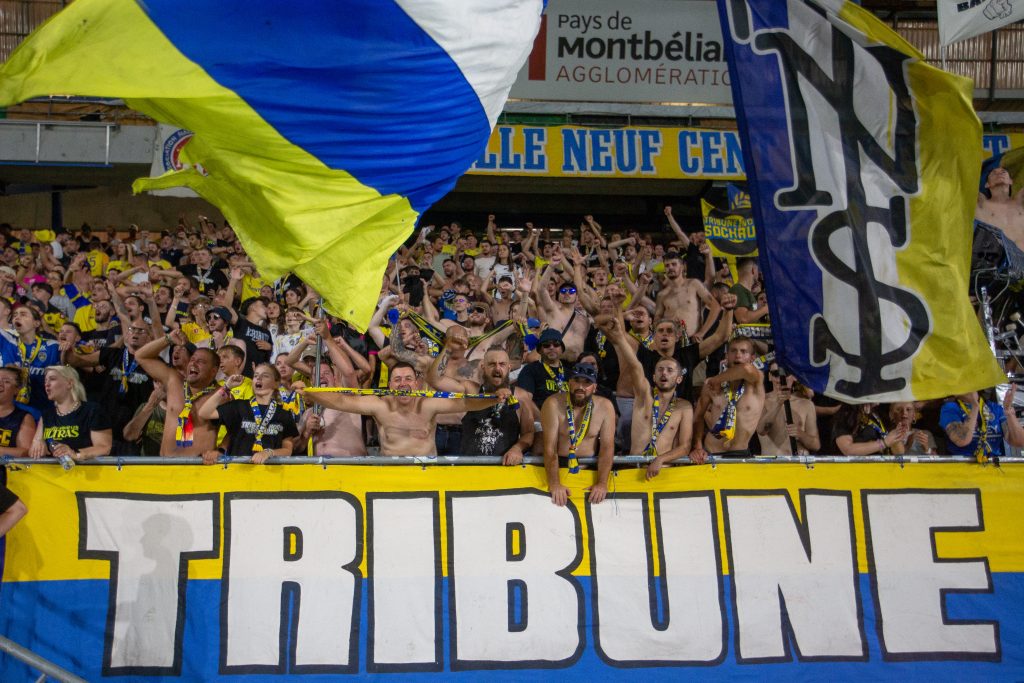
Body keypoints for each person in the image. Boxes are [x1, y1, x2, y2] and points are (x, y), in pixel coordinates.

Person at [301, 361, 509, 457]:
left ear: (417, 384)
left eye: (408, 379)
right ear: (390, 385)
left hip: (424, 472)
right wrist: (309, 392)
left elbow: (465, 403)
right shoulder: (379, 405)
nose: (403, 384)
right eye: (398, 379)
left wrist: (493, 399)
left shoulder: (428, 404)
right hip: (390, 472)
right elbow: (342, 402)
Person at [599, 315, 693, 478]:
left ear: (679, 378)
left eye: (670, 370)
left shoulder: (684, 407)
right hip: (633, 470)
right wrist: (621, 338)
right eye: (660, 370)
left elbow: (685, 447)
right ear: (654, 377)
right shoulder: (644, 396)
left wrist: (660, 459)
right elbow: (635, 366)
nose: (664, 373)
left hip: (664, 472)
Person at [426, 327, 536, 464]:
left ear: (509, 367)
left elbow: (529, 433)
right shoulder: (470, 389)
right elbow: (434, 380)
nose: (497, 369)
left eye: (502, 364)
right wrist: (448, 347)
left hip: (505, 470)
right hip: (469, 469)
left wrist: (517, 449)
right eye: (492, 364)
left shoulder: (521, 396)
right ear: (483, 367)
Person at [135, 330, 221, 457]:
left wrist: (221, 451)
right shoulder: (174, 382)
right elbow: (141, 356)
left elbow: (235, 430)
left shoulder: (221, 396)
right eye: (192, 359)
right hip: (166, 467)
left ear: (213, 371)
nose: (193, 363)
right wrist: (168, 338)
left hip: (197, 470)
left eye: (201, 361)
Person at [541, 362, 616, 506]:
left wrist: (601, 483)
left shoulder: (605, 406)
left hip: (590, 469)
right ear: (569, 383)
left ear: (594, 387)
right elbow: (549, 448)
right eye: (576, 381)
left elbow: (607, 447)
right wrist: (555, 483)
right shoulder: (553, 403)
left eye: (587, 382)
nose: (580, 387)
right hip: (560, 468)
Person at [198, 363, 299, 462]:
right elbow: (204, 413)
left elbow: (287, 450)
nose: (259, 378)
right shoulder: (238, 406)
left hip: (269, 474)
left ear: (276, 383)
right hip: (238, 472)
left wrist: (269, 452)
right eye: (256, 376)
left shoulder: (284, 413)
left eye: (265, 376)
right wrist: (226, 387)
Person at [691, 336, 766, 461]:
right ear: (726, 356)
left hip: (740, 453)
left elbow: (745, 369)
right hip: (712, 452)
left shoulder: (756, 382)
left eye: (743, 351)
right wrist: (698, 446)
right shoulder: (711, 387)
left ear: (752, 358)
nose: (738, 355)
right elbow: (698, 416)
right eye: (733, 351)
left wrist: (717, 379)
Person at [29, 366, 112, 463]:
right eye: (45, 380)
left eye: (52, 379)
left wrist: (75, 454)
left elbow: (104, 447)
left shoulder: (92, 410)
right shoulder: (46, 415)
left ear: (69, 383)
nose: (47, 384)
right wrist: (37, 445)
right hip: (54, 475)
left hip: (86, 472)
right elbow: (32, 453)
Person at [0, 305, 61, 412]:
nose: (17, 317)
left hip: (45, 409)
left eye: (23, 314)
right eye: (15, 315)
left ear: (36, 323)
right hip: (13, 410)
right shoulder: (8, 342)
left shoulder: (52, 346)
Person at [940, 388, 1024, 461]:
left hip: (993, 468)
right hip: (962, 469)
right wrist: (975, 406)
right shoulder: (949, 408)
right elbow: (962, 440)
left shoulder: (994, 408)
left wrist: (1009, 412)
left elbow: (1019, 442)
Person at [757, 364, 820, 455]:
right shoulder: (761, 401)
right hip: (773, 465)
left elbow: (816, 445)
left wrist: (801, 434)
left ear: (794, 376)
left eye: (785, 374)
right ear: (770, 377)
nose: (780, 379)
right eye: (775, 374)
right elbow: (762, 430)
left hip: (799, 464)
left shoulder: (806, 405)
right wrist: (778, 403)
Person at [976, 166, 1024, 253]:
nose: (999, 174)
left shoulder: (1020, 201)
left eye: (1003, 172)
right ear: (987, 184)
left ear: (1010, 181)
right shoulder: (981, 203)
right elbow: (962, 186)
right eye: (994, 173)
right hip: (999, 263)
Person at [832, 402, 907, 456]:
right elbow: (848, 449)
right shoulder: (847, 413)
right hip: (855, 472)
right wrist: (883, 443)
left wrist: (896, 438)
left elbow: (899, 453)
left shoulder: (880, 413)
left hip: (882, 471)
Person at [0, 366, 36, 457]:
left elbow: (26, 452)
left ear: (17, 389)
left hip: (7, 469)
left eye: (6, 381)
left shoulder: (24, 418)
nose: (0, 384)